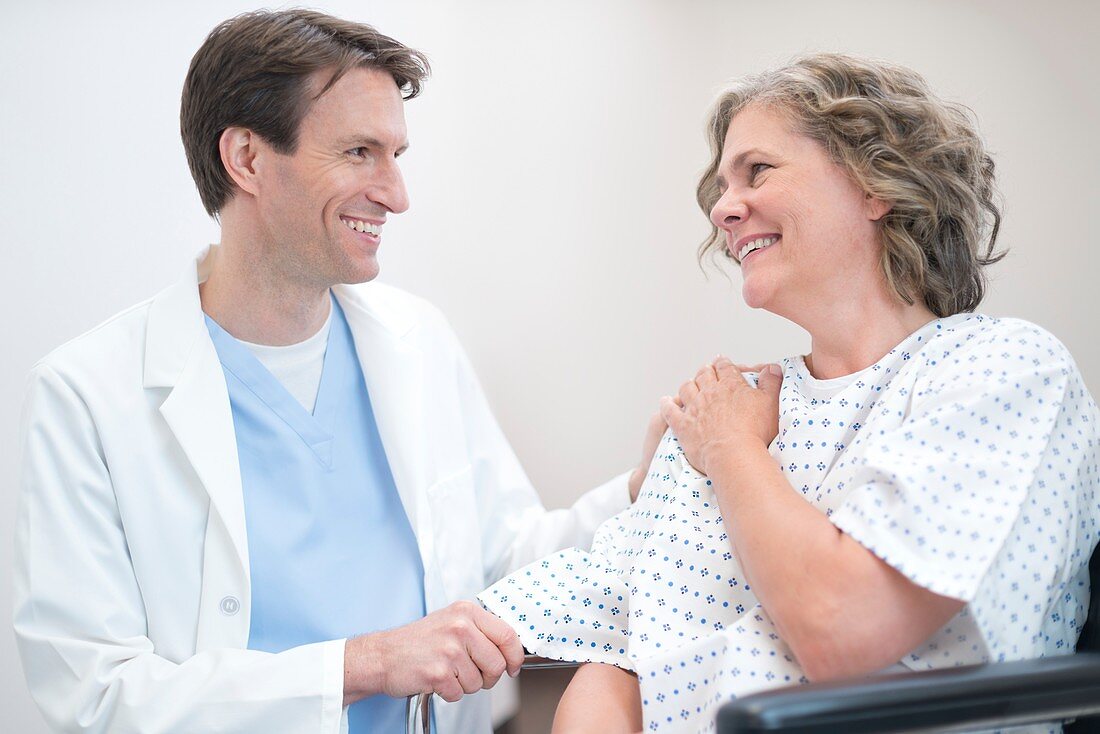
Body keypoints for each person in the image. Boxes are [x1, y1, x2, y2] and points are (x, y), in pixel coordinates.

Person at [12, 10, 657, 733]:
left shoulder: (419, 341)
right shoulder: (88, 395)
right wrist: (365, 665)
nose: (395, 192)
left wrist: (641, 487)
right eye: (358, 152)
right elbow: (93, 694)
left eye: (396, 154)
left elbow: (505, 561)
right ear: (247, 159)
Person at [479, 53, 1100, 733]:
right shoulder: (735, 401)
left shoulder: (1004, 370)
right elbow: (625, 640)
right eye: (721, 185)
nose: (722, 209)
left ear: (876, 184)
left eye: (758, 170)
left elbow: (845, 631)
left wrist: (733, 451)